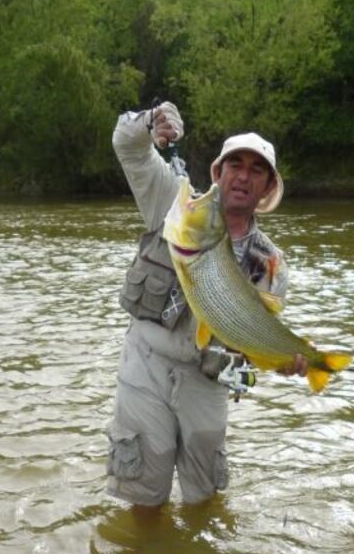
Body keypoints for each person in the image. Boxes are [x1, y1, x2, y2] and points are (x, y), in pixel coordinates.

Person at [106, 101, 305, 513]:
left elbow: (254, 337)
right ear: (219, 172)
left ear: (268, 187)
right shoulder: (176, 203)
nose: (243, 176)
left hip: (207, 379)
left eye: (256, 170)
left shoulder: (271, 263)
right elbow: (128, 146)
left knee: (204, 500)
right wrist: (150, 122)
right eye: (235, 165)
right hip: (147, 362)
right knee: (144, 493)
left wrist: (282, 360)